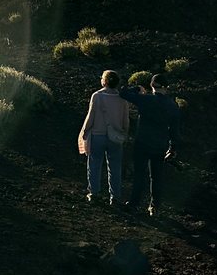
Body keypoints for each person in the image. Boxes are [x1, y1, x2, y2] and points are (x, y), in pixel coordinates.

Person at [119, 73, 181, 217]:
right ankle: (154, 207)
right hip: (159, 145)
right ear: (166, 88)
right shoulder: (172, 106)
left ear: (152, 85)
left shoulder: (146, 100)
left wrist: (137, 88)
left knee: (139, 174)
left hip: (142, 142)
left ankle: (134, 204)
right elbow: (174, 131)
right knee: (156, 177)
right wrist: (173, 148)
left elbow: (123, 92)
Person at [78, 70, 129, 205]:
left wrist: (85, 130)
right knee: (115, 167)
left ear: (104, 81)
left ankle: (94, 193)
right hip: (116, 137)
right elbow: (126, 120)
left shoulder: (97, 96)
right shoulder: (123, 99)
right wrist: (124, 134)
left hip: (98, 135)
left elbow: (91, 116)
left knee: (94, 165)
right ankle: (115, 197)